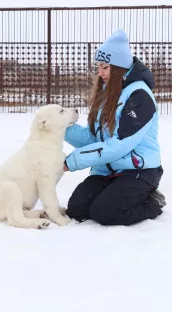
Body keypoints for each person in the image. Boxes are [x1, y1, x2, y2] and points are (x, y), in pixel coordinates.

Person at [63, 29, 166, 226]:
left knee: (104, 212)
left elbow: (120, 145)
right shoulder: (107, 93)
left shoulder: (139, 96)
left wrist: (73, 161)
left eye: (104, 67)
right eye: (99, 67)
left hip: (139, 171)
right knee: (77, 209)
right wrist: (59, 127)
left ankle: (152, 202)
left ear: (118, 67)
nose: (100, 73)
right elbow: (94, 139)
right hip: (107, 171)